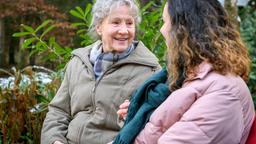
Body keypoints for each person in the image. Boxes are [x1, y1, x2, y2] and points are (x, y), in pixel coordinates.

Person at [118, 0, 255, 143]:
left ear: (184, 30)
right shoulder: (188, 76)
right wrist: (136, 114)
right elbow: (160, 127)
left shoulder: (223, 92)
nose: (162, 30)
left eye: (165, 21)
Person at [40, 0, 161, 143]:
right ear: (99, 27)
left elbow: (155, 125)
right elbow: (58, 111)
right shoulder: (78, 62)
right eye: (115, 22)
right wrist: (55, 141)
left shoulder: (150, 71)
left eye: (129, 23)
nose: (124, 30)